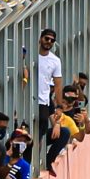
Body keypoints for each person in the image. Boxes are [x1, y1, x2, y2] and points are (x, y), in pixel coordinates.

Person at [31, 26, 64, 158]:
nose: (49, 42)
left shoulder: (55, 61)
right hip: (27, 99)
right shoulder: (31, 55)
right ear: (40, 39)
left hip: (43, 100)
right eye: (46, 38)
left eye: (52, 40)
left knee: (39, 133)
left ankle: (35, 162)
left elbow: (58, 85)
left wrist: (59, 106)